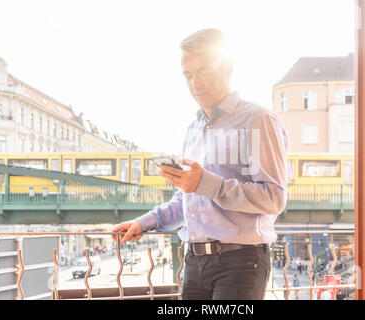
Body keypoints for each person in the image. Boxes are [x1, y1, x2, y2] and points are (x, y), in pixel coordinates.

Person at [112, 28, 288, 300]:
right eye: (188, 75)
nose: (195, 83)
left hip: (240, 263)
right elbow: (188, 199)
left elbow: (274, 198)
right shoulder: (193, 128)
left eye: (203, 71)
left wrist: (205, 183)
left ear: (227, 67)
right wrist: (145, 222)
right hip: (194, 262)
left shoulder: (258, 119)